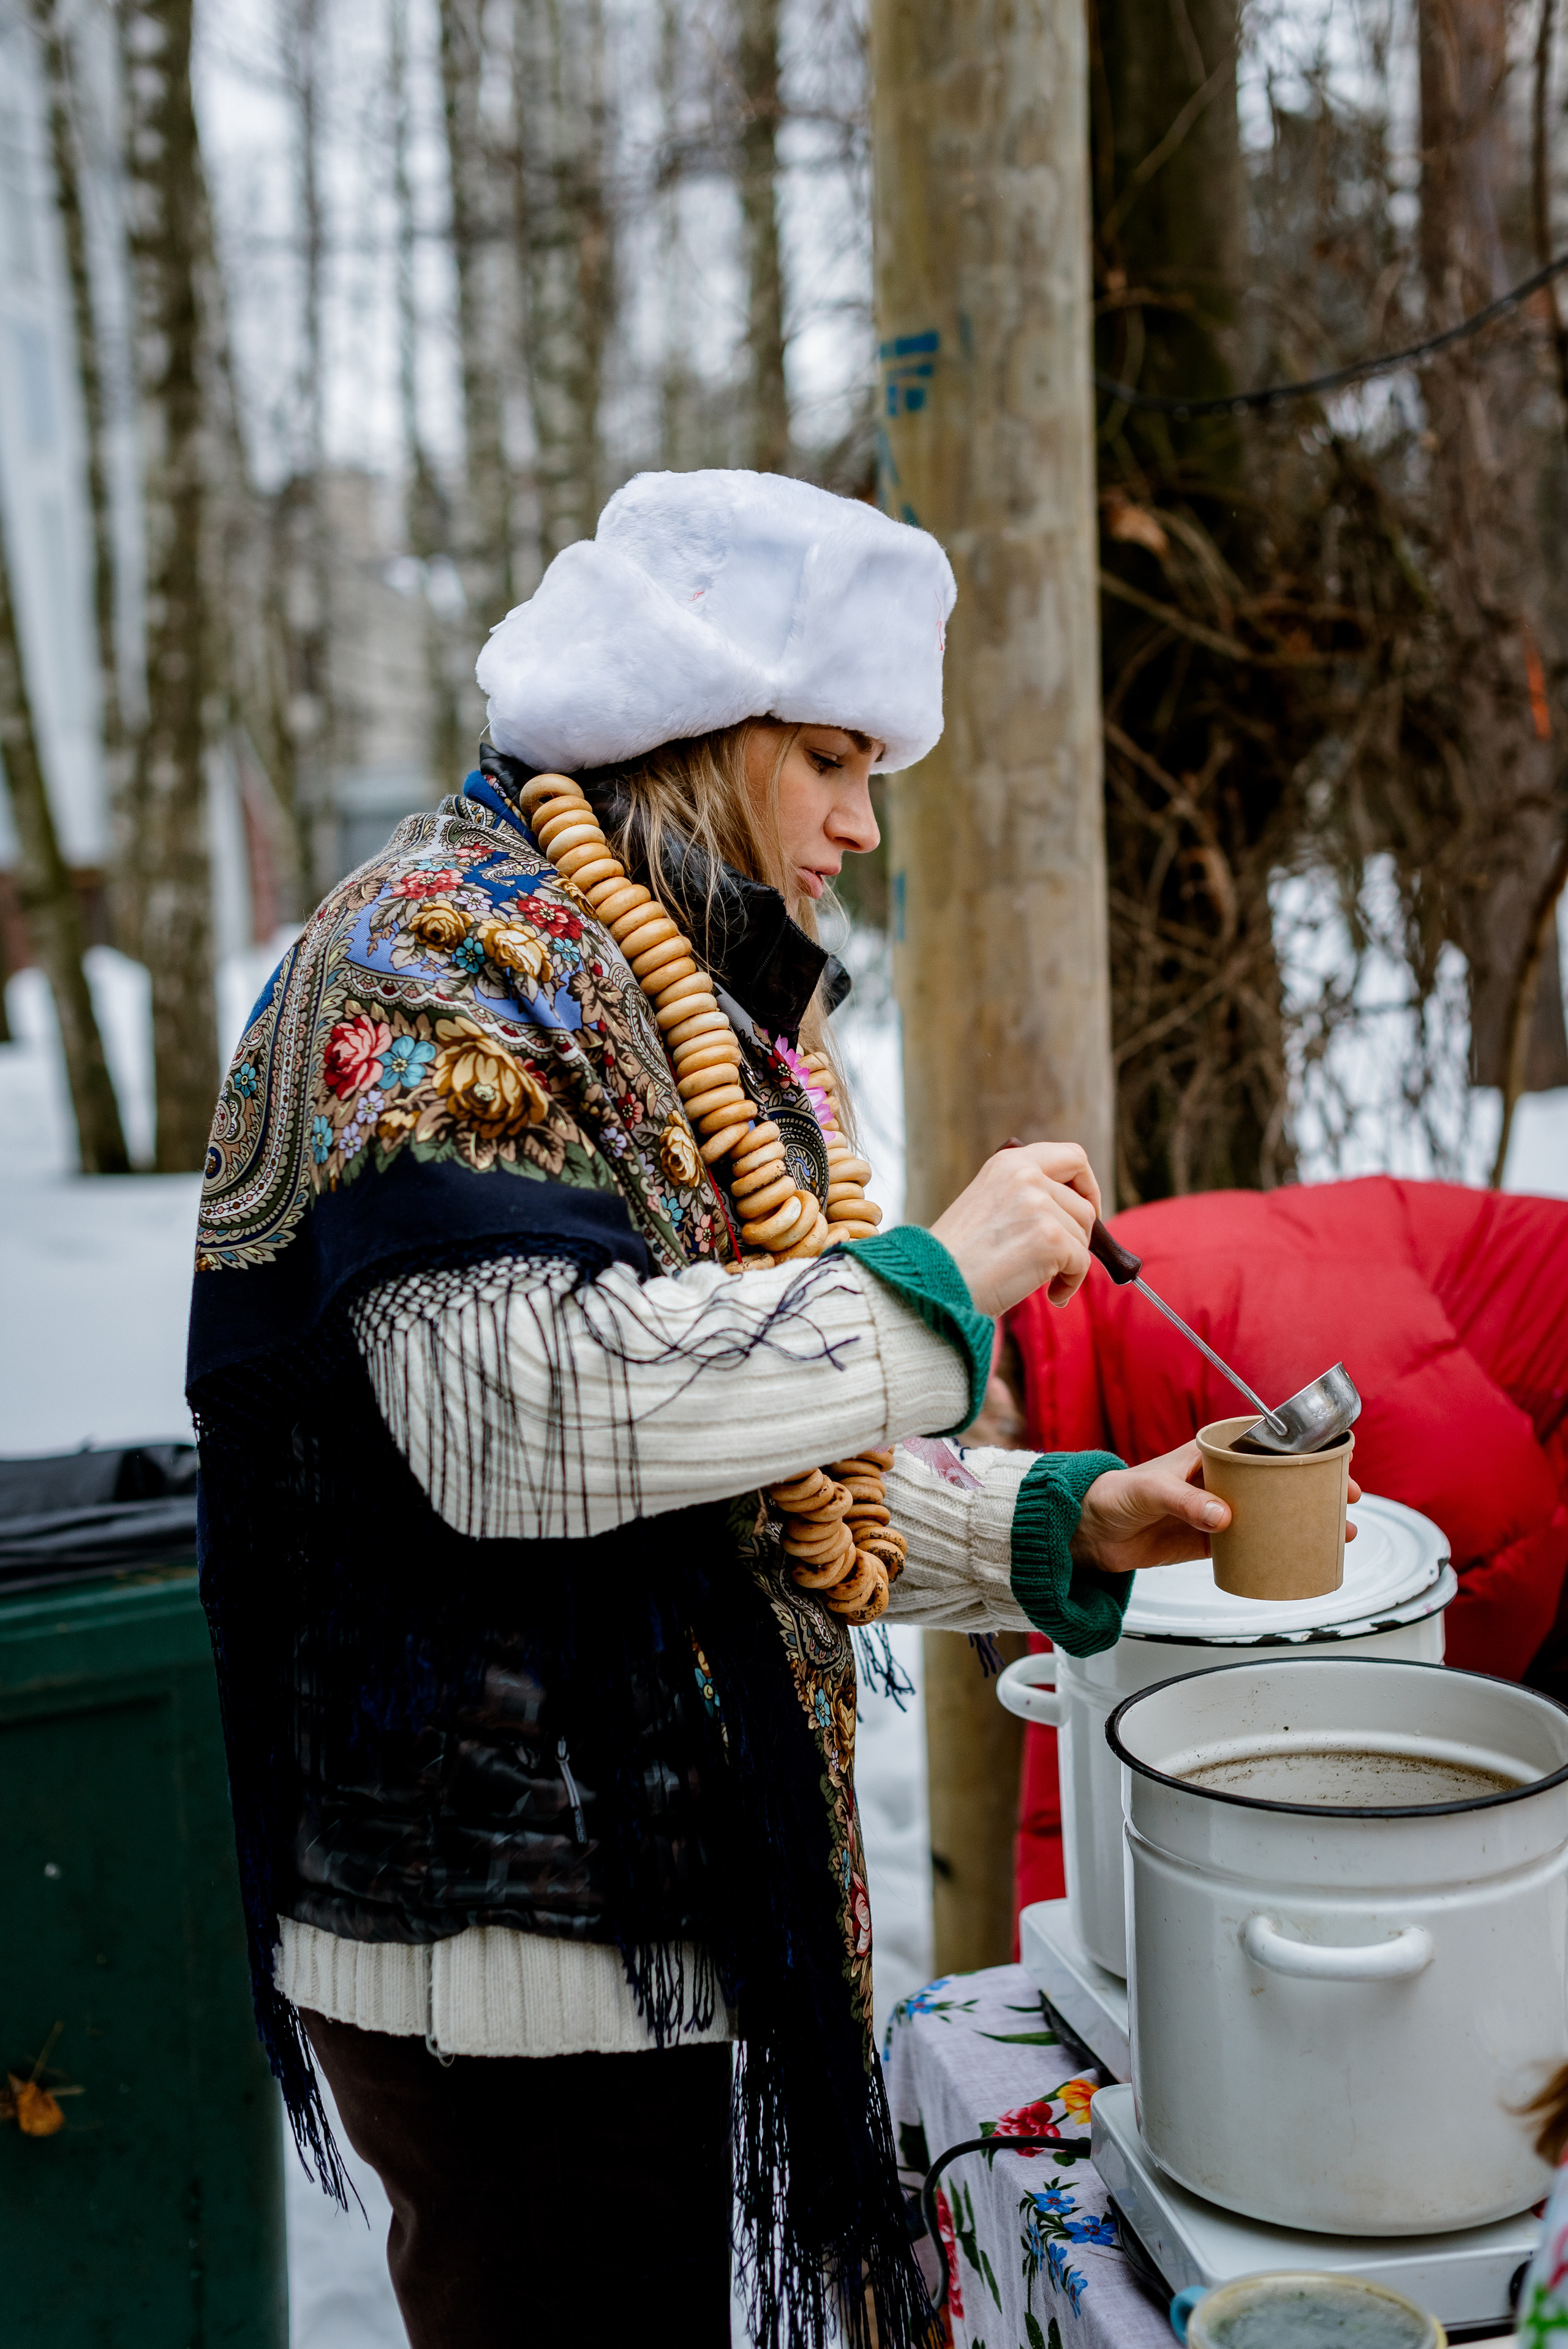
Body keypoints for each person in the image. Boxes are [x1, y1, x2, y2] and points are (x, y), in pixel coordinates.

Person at [189, 470, 1239, 2349]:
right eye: (829, 757)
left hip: (632, 1909)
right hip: (493, 1952)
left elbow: (735, 1469)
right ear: (691, 731)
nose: (857, 822)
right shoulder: (436, 956)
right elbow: (517, 1424)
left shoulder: (667, 991)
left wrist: (1046, 1527)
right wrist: (933, 1283)